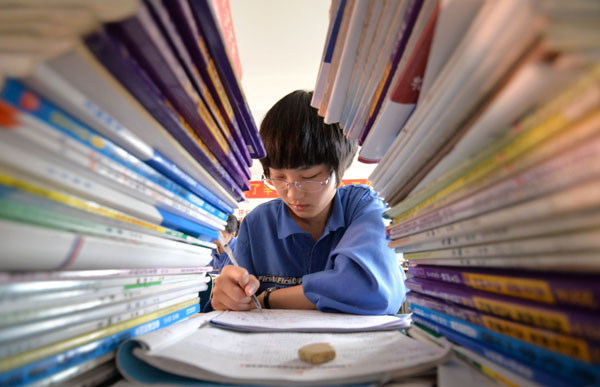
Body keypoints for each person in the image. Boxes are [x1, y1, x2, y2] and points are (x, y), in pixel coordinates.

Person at [210, 90, 406, 314]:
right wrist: (226, 297)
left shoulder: (363, 206)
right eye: (279, 178)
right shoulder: (257, 224)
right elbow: (230, 305)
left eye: (310, 178)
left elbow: (372, 290)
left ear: (339, 171)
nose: (293, 195)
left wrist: (267, 298)